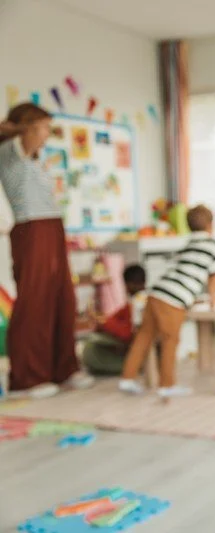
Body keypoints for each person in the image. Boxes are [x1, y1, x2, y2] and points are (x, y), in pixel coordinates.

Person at [0, 103, 94, 398]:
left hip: (52, 228)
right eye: (42, 127)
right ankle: (27, 377)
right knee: (35, 301)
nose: (46, 134)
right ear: (26, 128)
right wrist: (20, 128)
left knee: (62, 298)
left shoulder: (35, 161)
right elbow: (20, 139)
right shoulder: (9, 153)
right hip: (31, 229)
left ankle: (63, 368)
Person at [119, 205, 215, 398]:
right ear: (211, 225)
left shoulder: (187, 245)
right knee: (171, 340)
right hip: (174, 299)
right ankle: (167, 385)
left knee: (144, 336)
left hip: (156, 293)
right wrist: (214, 302)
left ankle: (127, 379)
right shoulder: (214, 246)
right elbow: (214, 278)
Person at [82, 265, 147, 376]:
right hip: (132, 343)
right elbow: (115, 317)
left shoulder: (138, 304)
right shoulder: (138, 301)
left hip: (136, 347)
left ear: (128, 285)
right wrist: (103, 321)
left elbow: (128, 333)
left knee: (91, 348)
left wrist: (103, 322)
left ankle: (134, 365)